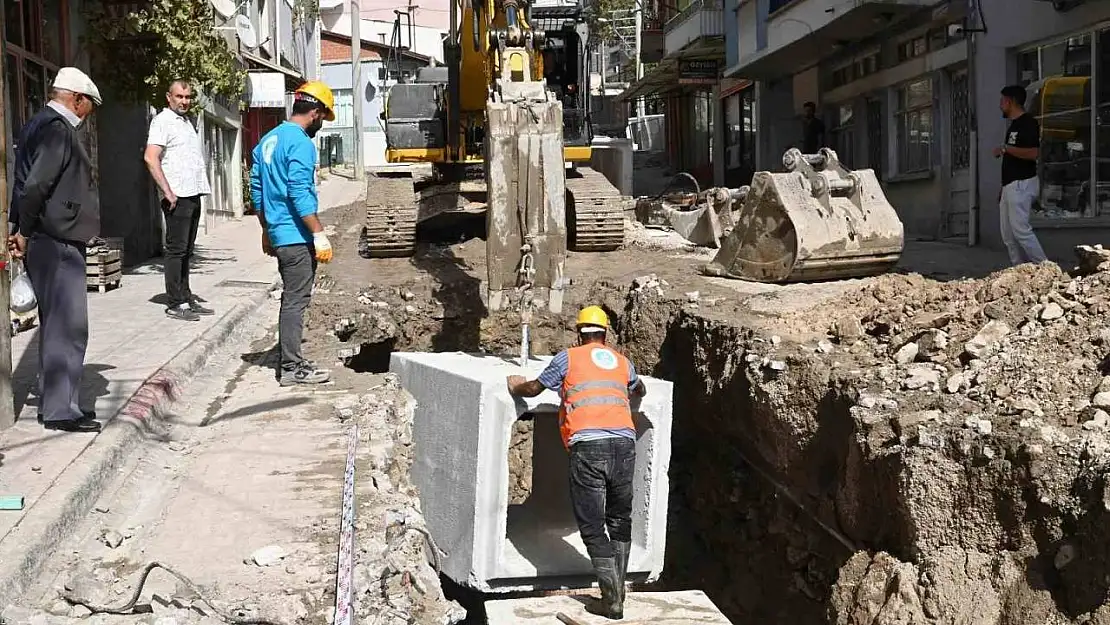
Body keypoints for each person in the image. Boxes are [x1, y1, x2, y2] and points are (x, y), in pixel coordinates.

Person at [506, 306, 646, 620]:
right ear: (605, 334)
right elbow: (639, 388)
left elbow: (534, 389)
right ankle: (618, 589)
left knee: (593, 526)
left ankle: (612, 601)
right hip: (624, 444)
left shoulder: (568, 358)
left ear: (578, 332)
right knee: (620, 520)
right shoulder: (622, 362)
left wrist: (515, 384)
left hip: (589, 447)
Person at [8, 68, 102, 433]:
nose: (87, 114)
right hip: (56, 242)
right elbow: (34, 186)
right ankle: (60, 410)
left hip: (45, 238)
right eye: (88, 106)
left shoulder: (35, 124)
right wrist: (25, 231)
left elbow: (22, 181)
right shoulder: (57, 128)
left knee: (56, 325)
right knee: (69, 325)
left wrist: (19, 229)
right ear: (76, 98)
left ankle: (56, 401)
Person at [250, 80, 335, 387]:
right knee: (296, 300)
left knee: (291, 297)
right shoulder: (300, 143)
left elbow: (257, 191)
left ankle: (291, 358)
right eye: (323, 117)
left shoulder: (269, 140)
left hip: (279, 232)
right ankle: (292, 366)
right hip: (296, 236)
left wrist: (265, 230)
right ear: (315, 112)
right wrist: (319, 233)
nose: (322, 124)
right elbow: (299, 191)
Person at [144, 79, 213, 321]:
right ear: (169, 97)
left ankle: (186, 296)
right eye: (179, 97)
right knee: (176, 250)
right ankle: (175, 302)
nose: (184, 101)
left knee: (187, 251)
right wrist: (167, 192)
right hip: (177, 196)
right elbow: (151, 158)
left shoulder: (185, 122)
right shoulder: (162, 121)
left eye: (187, 97)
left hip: (192, 193)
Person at [993, 84, 1048, 266]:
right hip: (1010, 185)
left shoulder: (1028, 123)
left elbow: (1033, 153)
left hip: (1022, 184)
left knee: (1021, 230)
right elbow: (1011, 158)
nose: (1000, 105)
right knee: (1008, 234)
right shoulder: (1013, 126)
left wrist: (1006, 149)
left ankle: (1045, 266)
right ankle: (1020, 271)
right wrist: (1003, 187)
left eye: (1002, 101)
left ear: (1011, 101)